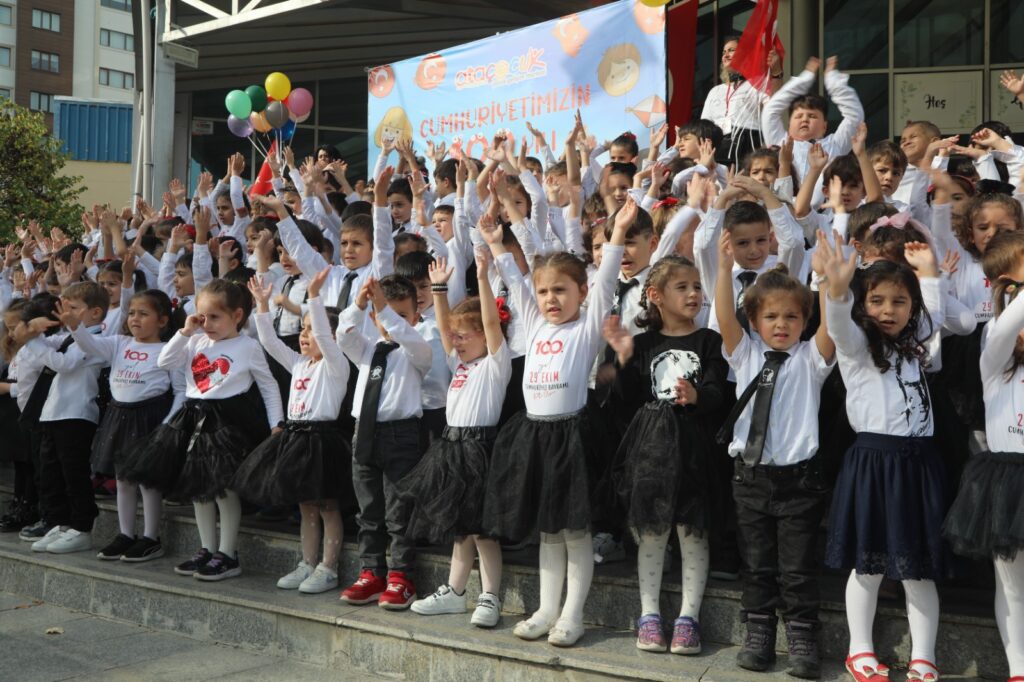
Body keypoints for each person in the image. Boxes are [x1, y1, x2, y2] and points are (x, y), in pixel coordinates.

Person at [478, 191, 629, 648]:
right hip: (534, 435)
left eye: (561, 290)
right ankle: (546, 609)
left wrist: (618, 233)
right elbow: (515, 281)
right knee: (548, 529)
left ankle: (573, 614)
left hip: (571, 436)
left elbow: (605, 281)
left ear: (581, 293)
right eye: (544, 291)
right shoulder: (534, 322)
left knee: (574, 528)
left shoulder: (585, 325)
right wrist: (497, 243)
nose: (549, 298)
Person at [822, 236, 947, 682]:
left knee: (920, 570)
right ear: (864, 304)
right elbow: (837, 324)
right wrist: (835, 290)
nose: (889, 309)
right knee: (868, 564)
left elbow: (936, 317)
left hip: (917, 468)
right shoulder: (857, 350)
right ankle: (860, 650)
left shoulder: (921, 351)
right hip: (874, 465)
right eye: (877, 300)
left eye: (900, 301)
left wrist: (929, 272)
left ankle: (924, 656)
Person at [716, 228, 837, 677]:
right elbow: (724, 315)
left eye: (791, 316)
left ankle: (804, 637)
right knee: (757, 563)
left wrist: (825, 283)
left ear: (804, 321)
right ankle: (759, 630)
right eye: (771, 317)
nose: (782, 324)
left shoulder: (812, 360)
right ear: (755, 321)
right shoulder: (744, 355)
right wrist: (725, 267)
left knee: (798, 566)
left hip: (799, 481)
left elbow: (831, 327)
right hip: (751, 478)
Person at [119, 279, 283, 582]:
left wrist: (277, 423)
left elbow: (268, 385)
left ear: (237, 316)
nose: (206, 323)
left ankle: (228, 553)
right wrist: (186, 330)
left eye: (214, 317)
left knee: (222, 491)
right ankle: (206, 548)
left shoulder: (248, 346)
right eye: (202, 316)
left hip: (228, 422)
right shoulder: (195, 340)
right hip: (193, 418)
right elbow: (165, 360)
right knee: (198, 490)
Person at [603, 256, 727, 655]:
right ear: (655, 296)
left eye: (696, 286)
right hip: (652, 451)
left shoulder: (709, 341)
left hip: (693, 451)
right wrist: (621, 359)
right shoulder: (644, 345)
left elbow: (718, 392)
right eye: (683, 287)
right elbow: (624, 401)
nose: (694, 294)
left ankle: (688, 618)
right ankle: (650, 615)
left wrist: (698, 397)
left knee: (692, 533)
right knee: (652, 532)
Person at [398, 251, 512, 628]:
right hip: (451, 448)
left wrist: (481, 276)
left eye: (466, 335)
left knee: (482, 531)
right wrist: (440, 289)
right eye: (455, 336)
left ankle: (491, 595)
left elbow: (492, 323)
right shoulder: (458, 363)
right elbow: (446, 327)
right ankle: (455, 591)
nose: (457, 341)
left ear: (484, 334)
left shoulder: (495, 363)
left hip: (479, 448)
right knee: (461, 529)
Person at [234, 267, 350, 595]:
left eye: (312, 330)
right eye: (303, 328)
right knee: (305, 505)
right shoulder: (299, 363)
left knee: (327, 505)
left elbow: (327, 340)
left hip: (322, 440)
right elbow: (269, 341)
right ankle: (308, 562)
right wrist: (261, 304)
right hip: (295, 438)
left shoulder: (335, 364)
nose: (305, 334)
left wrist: (313, 298)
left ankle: (329, 567)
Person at [64, 258, 184, 562]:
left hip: (151, 417)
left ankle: (150, 537)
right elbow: (91, 347)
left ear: (162, 320)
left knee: (148, 481)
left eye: (143, 314)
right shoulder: (118, 343)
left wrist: (168, 424)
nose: (134, 319)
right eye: (131, 313)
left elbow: (181, 391)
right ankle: (126, 533)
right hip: (119, 415)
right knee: (124, 479)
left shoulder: (167, 350)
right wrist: (76, 327)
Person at [943, 231, 1024, 680]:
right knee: (1011, 584)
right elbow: (1007, 324)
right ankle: (1019, 669)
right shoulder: (994, 353)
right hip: (1006, 479)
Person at [336, 275, 431, 610]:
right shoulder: (368, 349)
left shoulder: (416, 350)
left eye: (403, 316)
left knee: (398, 510)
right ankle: (371, 571)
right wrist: (361, 305)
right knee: (369, 510)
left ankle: (401, 576)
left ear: (415, 315)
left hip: (400, 435)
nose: (395, 324)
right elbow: (343, 335)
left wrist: (384, 311)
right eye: (386, 317)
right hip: (364, 432)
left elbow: (410, 339)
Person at [19, 282, 110, 555]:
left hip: (77, 414)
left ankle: (81, 527)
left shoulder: (97, 342)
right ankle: (60, 522)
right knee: (51, 473)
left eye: (73, 308)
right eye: (64, 307)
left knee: (74, 474)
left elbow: (64, 364)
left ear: (95, 313)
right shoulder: (67, 337)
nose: (65, 313)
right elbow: (41, 344)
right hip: (54, 413)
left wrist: (32, 340)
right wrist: (32, 328)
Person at [701, 37, 782, 167]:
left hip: (749, 146)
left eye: (731, 50)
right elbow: (704, 126)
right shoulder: (715, 91)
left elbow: (774, 104)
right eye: (724, 52)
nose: (725, 55)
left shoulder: (757, 84)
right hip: (717, 149)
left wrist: (776, 72)